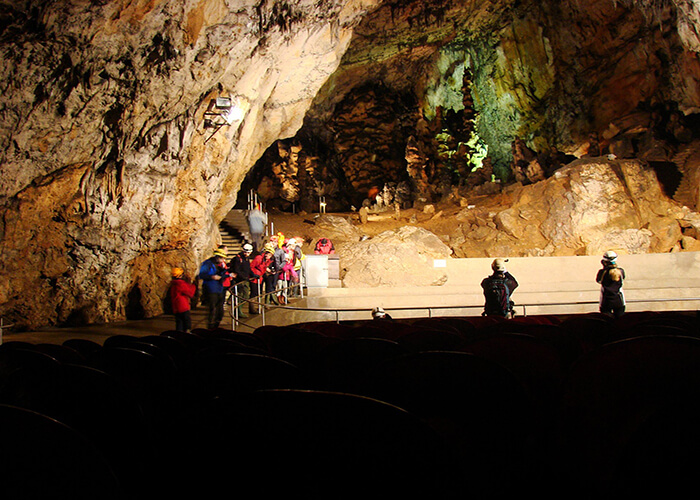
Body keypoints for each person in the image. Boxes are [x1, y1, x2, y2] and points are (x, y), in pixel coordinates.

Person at [198, 248, 230, 329]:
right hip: (210, 289)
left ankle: (217, 323)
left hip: (219, 288)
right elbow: (202, 275)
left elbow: (221, 276)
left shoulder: (220, 265)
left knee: (220, 308)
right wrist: (212, 277)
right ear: (217, 257)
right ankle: (211, 325)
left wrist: (227, 273)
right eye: (221, 258)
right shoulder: (207, 264)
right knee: (212, 308)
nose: (223, 260)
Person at [596, 250, 626, 318]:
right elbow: (622, 278)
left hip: (606, 301)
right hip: (619, 301)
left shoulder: (602, 272)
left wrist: (605, 267)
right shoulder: (620, 271)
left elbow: (599, 280)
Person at [230, 243, 254, 318]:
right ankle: (238, 311)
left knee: (245, 296)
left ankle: (239, 310)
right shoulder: (238, 259)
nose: (247, 254)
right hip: (240, 280)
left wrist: (253, 274)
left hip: (244, 279)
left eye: (248, 252)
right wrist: (243, 277)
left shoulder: (246, 258)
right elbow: (237, 270)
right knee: (241, 296)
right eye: (246, 252)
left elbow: (248, 268)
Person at [169, 267, 196, 332]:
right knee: (187, 323)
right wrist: (193, 286)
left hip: (176, 307)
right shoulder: (181, 284)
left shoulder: (173, 284)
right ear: (180, 275)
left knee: (179, 323)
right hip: (183, 306)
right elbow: (190, 293)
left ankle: (179, 336)